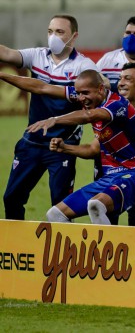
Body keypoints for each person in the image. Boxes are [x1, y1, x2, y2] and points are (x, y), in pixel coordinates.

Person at [0, 15, 97, 220]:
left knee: (60, 208)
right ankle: (16, 246)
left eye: (60, 32)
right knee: (11, 198)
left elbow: (94, 96)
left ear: (74, 36)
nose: (53, 37)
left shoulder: (84, 66)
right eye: (50, 31)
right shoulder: (37, 56)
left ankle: (59, 251)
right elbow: (7, 53)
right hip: (32, 141)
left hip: (61, 144)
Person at [26, 70, 135, 224]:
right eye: (78, 93)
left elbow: (89, 116)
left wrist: (55, 119)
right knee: (55, 214)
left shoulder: (117, 105)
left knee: (95, 205)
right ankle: (76, 248)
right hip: (110, 177)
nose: (81, 98)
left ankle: (105, 248)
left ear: (100, 89)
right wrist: (65, 148)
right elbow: (93, 150)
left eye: (85, 93)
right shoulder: (93, 102)